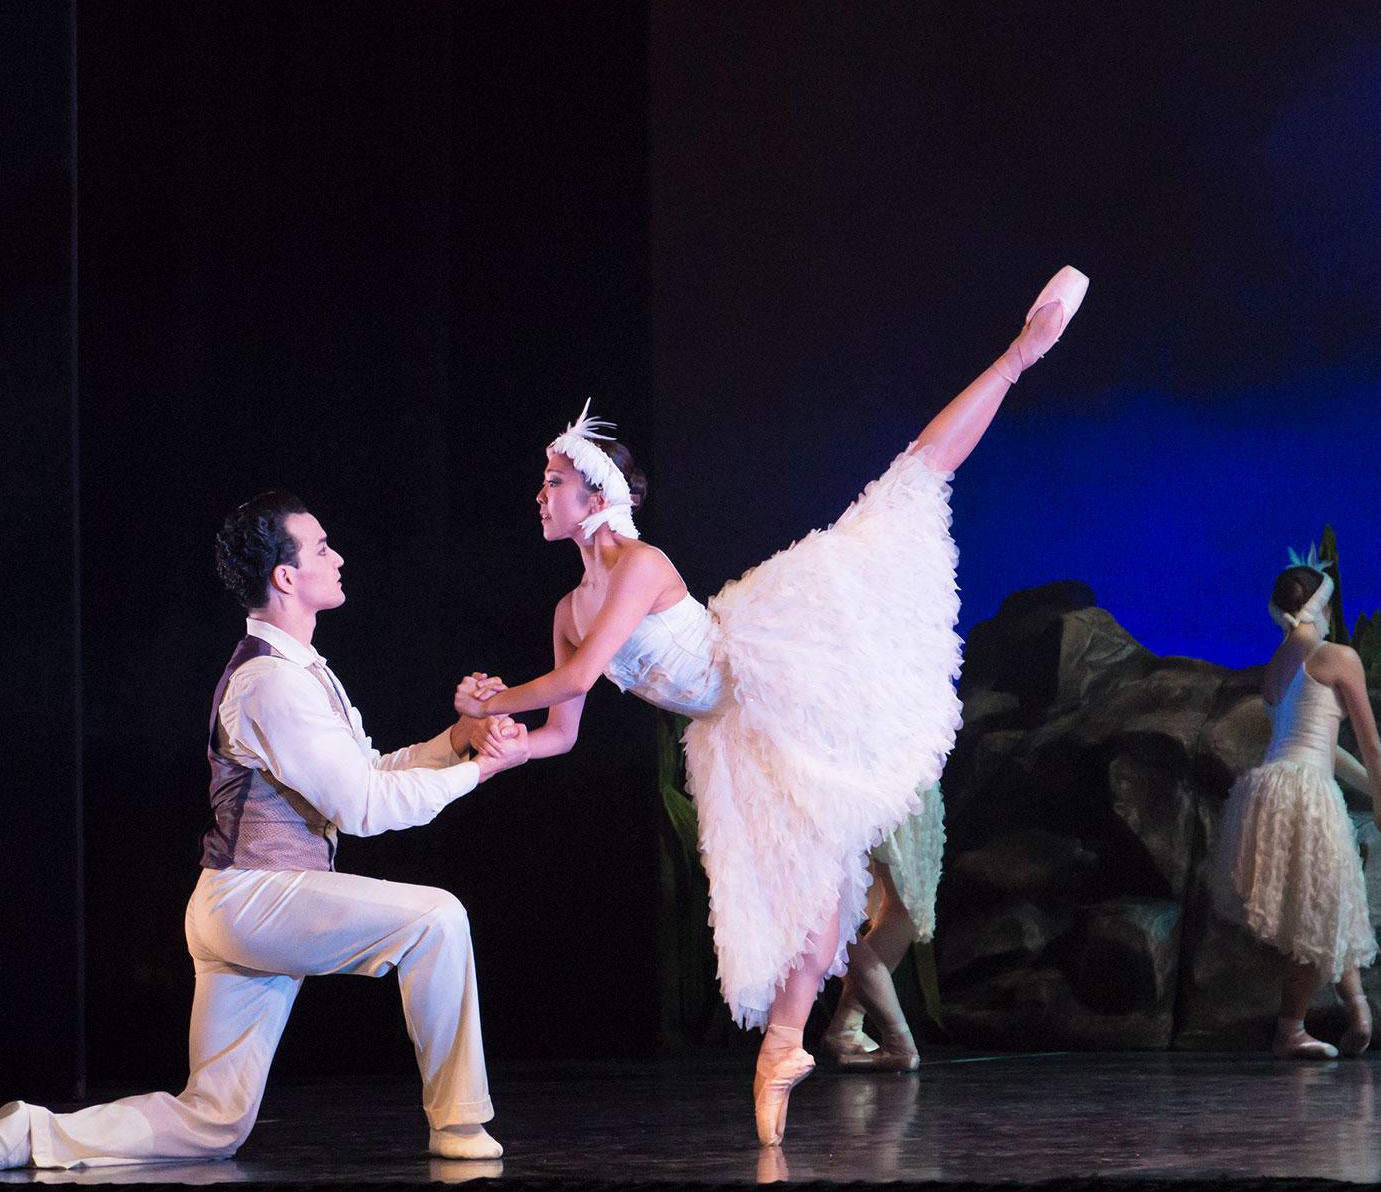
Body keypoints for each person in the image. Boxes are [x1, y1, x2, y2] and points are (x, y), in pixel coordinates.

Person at [457, 267, 1088, 1144]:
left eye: (554, 480)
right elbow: (561, 731)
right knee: (805, 889)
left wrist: (499, 698)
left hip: (765, 659)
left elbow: (567, 684)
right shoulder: (566, 610)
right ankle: (783, 1051)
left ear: (595, 495)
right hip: (730, 728)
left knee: (903, 492)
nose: (541, 493)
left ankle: (1021, 355)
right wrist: (498, 742)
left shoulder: (638, 569)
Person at [0, 492, 530, 1172]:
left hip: (239, 903)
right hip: (254, 898)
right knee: (437, 920)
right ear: (284, 576)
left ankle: (27, 1133)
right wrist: (478, 773)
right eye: (322, 548)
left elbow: (362, 775)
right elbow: (365, 808)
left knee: (212, 1121)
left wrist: (457, 743)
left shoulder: (301, 674)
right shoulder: (270, 682)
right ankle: (461, 1124)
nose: (338, 558)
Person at [1209, 551, 1381, 1058]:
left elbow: (1326, 746)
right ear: (1323, 606)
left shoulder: (1277, 666)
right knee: (1315, 907)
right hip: (1305, 791)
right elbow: (1369, 744)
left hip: (1273, 784)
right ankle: (1290, 1028)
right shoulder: (1337, 657)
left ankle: (1356, 1010)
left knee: (1326, 899)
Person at [818, 791, 944, 1073]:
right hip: (852, 775)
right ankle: (896, 1035)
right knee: (825, 906)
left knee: (907, 908)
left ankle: (848, 1025)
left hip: (905, 769)